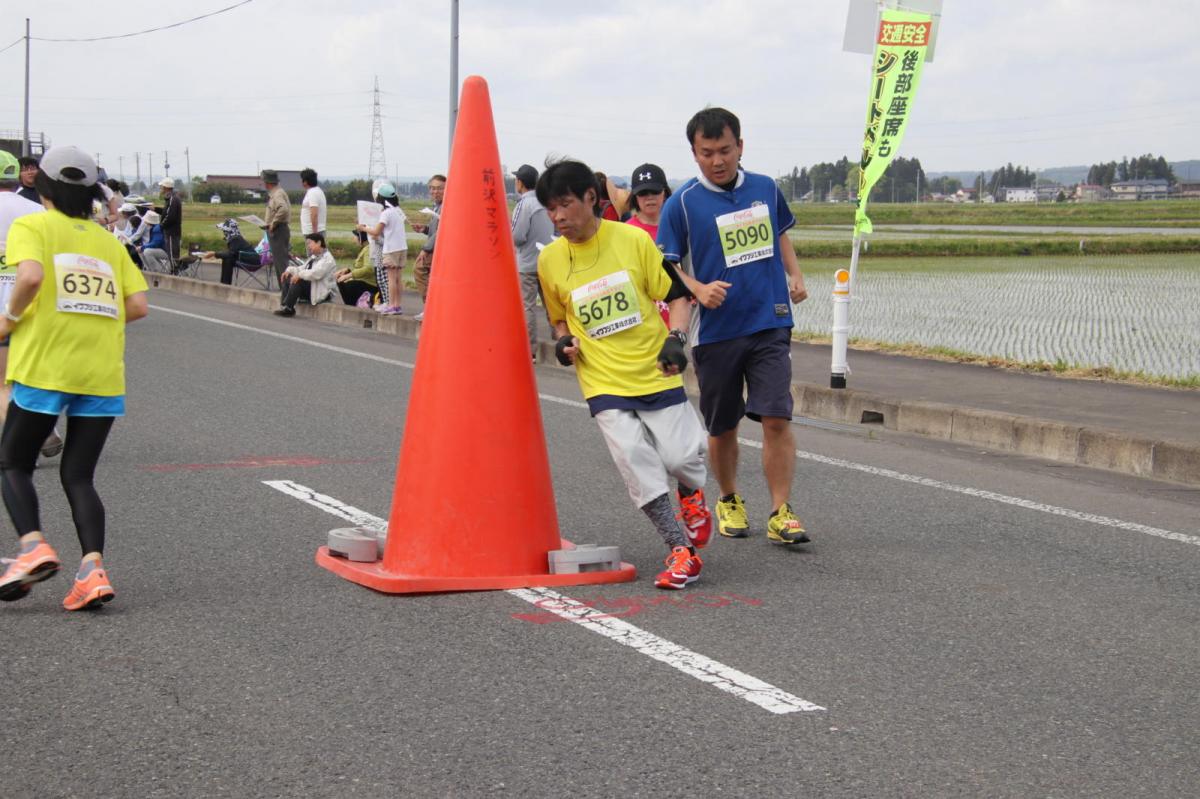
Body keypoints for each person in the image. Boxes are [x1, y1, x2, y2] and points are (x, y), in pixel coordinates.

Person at [536, 159, 712, 590]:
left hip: (655, 368)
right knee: (635, 461)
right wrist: (563, 344)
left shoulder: (633, 240)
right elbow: (559, 319)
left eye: (565, 205)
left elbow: (679, 297)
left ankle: (691, 493)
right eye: (550, 209)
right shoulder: (551, 260)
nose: (558, 217)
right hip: (602, 380)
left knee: (680, 458)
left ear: (591, 199)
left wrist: (676, 340)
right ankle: (679, 551)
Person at [0, 145, 149, 610]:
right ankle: (92, 570)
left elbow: (28, 278)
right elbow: (139, 305)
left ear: (40, 184)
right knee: (79, 476)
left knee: (11, 463)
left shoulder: (34, 226)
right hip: (102, 370)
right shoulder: (108, 241)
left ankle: (32, 546)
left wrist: (8, 320)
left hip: (47, 363)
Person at [657, 106, 811, 545]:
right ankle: (728, 497)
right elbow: (664, 266)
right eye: (707, 153)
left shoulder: (764, 187)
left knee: (776, 417)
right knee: (722, 426)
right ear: (694, 153)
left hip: (769, 320)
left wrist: (794, 274)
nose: (717, 160)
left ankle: (781, 511)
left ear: (740, 146)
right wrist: (697, 288)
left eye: (725, 150)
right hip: (716, 332)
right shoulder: (682, 204)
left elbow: (780, 231)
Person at [509, 164, 554, 357]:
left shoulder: (523, 204)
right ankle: (559, 342)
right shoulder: (546, 202)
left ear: (520, 182)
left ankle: (530, 351)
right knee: (552, 305)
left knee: (527, 306)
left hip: (527, 262)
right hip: (548, 261)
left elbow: (517, 236)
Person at [625, 163, 673, 324]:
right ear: (635, 197)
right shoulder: (625, 232)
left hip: (676, 316)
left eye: (655, 191)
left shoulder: (678, 227)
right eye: (643, 193)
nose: (649, 197)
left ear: (665, 193)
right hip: (643, 320)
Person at [356, 184, 406, 315]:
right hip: (402, 248)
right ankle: (398, 305)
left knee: (391, 278)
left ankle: (391, 305)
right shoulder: (398, 211)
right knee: (398, 278)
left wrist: (363, 228)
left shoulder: (386, 213)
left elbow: (376, 232)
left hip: (391, 249)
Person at [274, 232, 337, 317]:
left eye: (310, 243)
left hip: (322, 292)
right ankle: (284, 306)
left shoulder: (327, 259)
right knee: (287, 276)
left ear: (319, 243)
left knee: (298, 281)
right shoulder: (314, 257)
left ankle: (289, 309)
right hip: (313, 287)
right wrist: (289, 270)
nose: (308, 246)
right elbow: (302, 268)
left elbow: (316, 273)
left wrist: (299, 275)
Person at [410, 174, 445, 320]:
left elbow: (442, 230)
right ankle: (435, 308)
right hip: (436, 247)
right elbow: (434, 228)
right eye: (432, 188)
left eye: (438, 188)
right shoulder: (437, 206)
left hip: (439, 249)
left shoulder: (447, 205)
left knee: (419, 269)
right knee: (433, 277)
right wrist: (424, 229)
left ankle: (431, 308)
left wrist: (426, 248)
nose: (434, 191)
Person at [261, 169, 291, 284]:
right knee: (279, 263)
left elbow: (283, 209)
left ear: (267, 182)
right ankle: (284, 291)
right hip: (278, 230)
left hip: (278, 231)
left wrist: (273, 223)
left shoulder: (277, 194)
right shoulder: (277, 192)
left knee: (281, 264)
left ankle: (286, 291)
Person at [334, 230, 378, 308]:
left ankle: (357, 305)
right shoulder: (365, 248)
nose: (353, 239)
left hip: (370, 284)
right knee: (340, 279)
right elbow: (360, 268)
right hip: (363, 281)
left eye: (355, 236)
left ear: (361, 238)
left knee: (350, 285)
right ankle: (353, 305)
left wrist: (349, 275)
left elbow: (369, 269)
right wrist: (347, 271)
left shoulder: (369, 249)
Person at [206, 218, 255, 286]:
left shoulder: (235, 239)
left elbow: (230, 254)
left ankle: (225, 285)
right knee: (227, 258)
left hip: (252, 262)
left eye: (224, 230)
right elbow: (231, 252)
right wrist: (216, 254)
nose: (223, 232)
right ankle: (224, 284)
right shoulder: (236, 237)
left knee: (228, 259)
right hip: (248, 259)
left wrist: (214, 254)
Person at [156, 177, 182, 262]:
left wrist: (161, 226)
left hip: (172, 232)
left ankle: (174, 273)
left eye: (162, 186)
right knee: (172, 253)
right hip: (171, 232)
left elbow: (170, 216)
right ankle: (174, 271)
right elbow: (166, 212)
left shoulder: (172, 199)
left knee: (172, 254)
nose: (161, 188)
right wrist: (155, 209)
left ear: (165, 187)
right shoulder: (170, 198)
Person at [299, 167, 327, 237]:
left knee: (315, 248)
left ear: (305, 181)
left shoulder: (313, 193)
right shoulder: (315, 191)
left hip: (312, 232)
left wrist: (315, 233)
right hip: (311, 231)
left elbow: (314, 214)